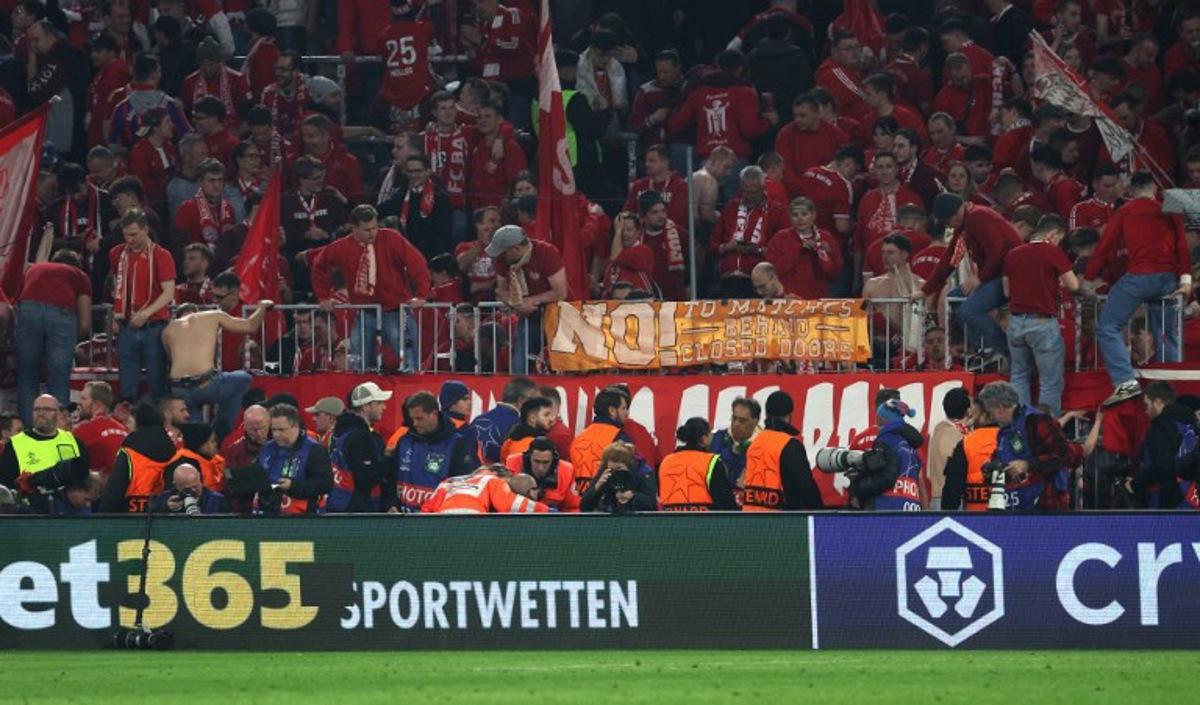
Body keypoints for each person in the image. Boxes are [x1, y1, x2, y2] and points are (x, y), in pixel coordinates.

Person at [1085, 172, 1193, 406]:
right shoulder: (1169, 208)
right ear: (1154, 188)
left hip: (1139, 279)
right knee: (1166, 335)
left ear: (1131, 191)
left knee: (1107, 326)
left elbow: (1104, 247)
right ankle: (1170, 391)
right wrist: (1186, 281)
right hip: (1168, 279)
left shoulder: (1124, 211)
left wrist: (1088, 278)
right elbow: (1182, 246)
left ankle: (1125, 383)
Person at [310, 204, 431, 372]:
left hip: (396, 311)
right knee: (359, 365)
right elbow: (318, 265)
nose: (373, 233)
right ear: (354, 228)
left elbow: (417, 264)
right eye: (367, 230)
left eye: (375, 227)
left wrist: (422, 295)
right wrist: (323, 296)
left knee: (410, 363)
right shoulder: (341, 247)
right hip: (365, 313)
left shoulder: (391, 238)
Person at [914, 193, 1023, 359]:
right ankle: (982, 349)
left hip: (1009, 275)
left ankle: (1006, 351)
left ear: (955, 214)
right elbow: (951, 258)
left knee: (968, 310)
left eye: (947, 222)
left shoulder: (978, 217)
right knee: (954, 299)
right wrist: (926, 290)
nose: (948, 227)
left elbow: (997, 250)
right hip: (996, 274)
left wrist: (980, 278)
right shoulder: (966, 222)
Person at [1003, 215, 1080, 416]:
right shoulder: (1052, 252)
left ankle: (1020, 426)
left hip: (1016, 322)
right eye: (1058, 239)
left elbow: (1006, 291)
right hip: (1042, 323)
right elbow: (1074, 284)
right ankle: (1045, 429)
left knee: (1019, 376)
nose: (1058, 243)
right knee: (1050, 380)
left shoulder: (1013, 254)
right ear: (1052, 234)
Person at [163, 300, 270, 441]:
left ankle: (202, 443)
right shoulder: (212, 316)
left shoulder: (168, 330)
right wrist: (262, 306)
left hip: (178, 389)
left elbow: (172, 359)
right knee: (244, 379)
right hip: (205, 384)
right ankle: (220, 433)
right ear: (198, 313)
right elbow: (251, 325)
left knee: (197, 437)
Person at [14, 250, 92, 425]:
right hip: (61, 313)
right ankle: (55, 430)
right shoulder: (79, 275)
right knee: (58, 377)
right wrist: (73, 341)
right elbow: (85, 323)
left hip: (28, 311)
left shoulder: (33, 269)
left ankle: (28, 429)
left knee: (27, 376)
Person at [978, 381, 1079, 511]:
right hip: (1015, 505)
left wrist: (1028, 465)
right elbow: (1007, 467)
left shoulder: (1037, 421)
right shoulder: (1003, 433)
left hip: (1046, 504)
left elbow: (1065, 456)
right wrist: (993, 469)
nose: (990, 417)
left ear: (1000, 408)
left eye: (990, 412)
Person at [110, 209, 176, 402]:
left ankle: (156, 427)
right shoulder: (116, 253)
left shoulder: (162, 255)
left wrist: (145, 313)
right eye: (125, 235)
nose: (129, 239)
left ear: (146, 230)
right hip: (126, 326)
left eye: (134, 234)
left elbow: (168, 293)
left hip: (153, 327)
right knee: (127, 387)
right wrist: (117, 313)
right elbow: (118, 283)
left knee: (156, 384)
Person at [488, 225, 568, 374]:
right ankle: (519, 387)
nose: (498, 256)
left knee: (562, 362)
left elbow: (560, 292)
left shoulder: (546, 252)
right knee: (520, 358)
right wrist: (517, 305)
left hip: (559, 316)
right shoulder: (502, 259)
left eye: (503, 252)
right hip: (529, 316)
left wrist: (530, 301)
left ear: (515, 249)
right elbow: (501, 290)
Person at [386, 391, 479, 513]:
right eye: (412, 418)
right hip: (403, 520)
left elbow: (465, 486)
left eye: (419, 418)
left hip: (438, 523)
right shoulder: (404, 441)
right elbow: (391, 477)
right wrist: (391, 503)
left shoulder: (457, 444)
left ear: (434, 414)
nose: (415, 423)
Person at [0, 395, 90, 510]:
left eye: (47, 409)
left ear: (58, 414)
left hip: (72, 510)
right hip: (31, 511)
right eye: (37, 409)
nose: (41, 413)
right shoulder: (16, 444)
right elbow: (6, 486)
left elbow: (85, 475)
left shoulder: (73, 441)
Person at [712, 166, 789, 298]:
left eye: (754, 192)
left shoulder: (777, 212)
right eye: (746, 192)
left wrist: (758, 250)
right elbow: (713, 243)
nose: (749, 196)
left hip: (759, 282)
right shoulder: (731, 208)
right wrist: (727, 247)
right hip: (728, 278)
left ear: (763, 188)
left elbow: (783, 251)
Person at [743, 391, 822, 510]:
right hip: (780, 519)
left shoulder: (754, 443)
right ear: (789, 414)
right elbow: (805, 486)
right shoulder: (789, 444)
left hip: (750, 517)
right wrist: (822, 513)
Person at [1126, 382, 1200, 509]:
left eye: (1147, 405)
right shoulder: (1192, 424)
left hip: (1170, 501)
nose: (1146, 411)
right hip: (1194, 496)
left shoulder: (1159, 427)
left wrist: (1135, 484)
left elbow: (1162, 466)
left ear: (1158, 402)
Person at [248, 404, 332, 515]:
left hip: (302, 519)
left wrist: (292, 486)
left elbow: (324, 484)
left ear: (295, 426)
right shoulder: (267, 448)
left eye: (282, 430)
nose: (277, 434)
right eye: (273, 429)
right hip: (266, 515)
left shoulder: (314, 450)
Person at [98, 401, 177, 513]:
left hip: (131, 518)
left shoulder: (130, 451)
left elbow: (114, 491)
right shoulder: (174, 450)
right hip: (165, 515)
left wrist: (103, 517)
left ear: (137, 421)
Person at [851, 398, 924, 511]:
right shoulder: (910, 445)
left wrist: (858, 489)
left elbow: (886, 478)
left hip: (887, 508)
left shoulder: (887, 441)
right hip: (911, 507)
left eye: (878, 416)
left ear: (882, 419)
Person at [327, 382, 389, 513]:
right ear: (365, 407)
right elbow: (366, 481)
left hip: (337, 502)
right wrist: (387, 460)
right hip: (355, 509)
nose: (384, 407)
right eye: (379, 403)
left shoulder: (340, 430)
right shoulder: (361, 437)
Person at [658, 418, 736, 511]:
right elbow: (726, 503)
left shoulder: (667, 461)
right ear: (704, 438)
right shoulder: (712, 461)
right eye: (711, 433)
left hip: (669, 523)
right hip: (704, 523)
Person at [570, 386, 635, 494]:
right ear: (612, 411)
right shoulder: (619, 437)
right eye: (623, 408)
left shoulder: (578, 439)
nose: (626, 413)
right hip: (605, 500)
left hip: (580, 500)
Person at [942, 399, 1001, 511]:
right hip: (1012, 517)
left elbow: (952, 490)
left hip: (975, 519)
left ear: (984, 415)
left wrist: (947, 514)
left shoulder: (967, 443)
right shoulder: (1013, 438)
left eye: (975, 413)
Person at [423, 465, 549, 514]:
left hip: (442, 522)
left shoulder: (449, 481)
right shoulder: (492, 480)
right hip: (473, 521)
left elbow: (427, 510)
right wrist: (544, 509)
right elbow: (508, 504)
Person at [467, 377, 537, 463]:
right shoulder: (519, 425)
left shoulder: (478, 420)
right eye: (534, 401)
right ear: (521, 400)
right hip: (499, 473)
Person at [925, 387, 972, 510]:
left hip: (937, 498)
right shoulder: (959, 436)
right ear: (968, 411)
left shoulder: (939, 428)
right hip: (952, 500)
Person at [504, 437, 580, 512]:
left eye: (546, 462)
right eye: (536, 461)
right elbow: (505, 502)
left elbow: (573, 508)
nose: (540, 468)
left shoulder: (567, 471)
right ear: (529, 456)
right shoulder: (513, 464)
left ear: (553, 459)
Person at [580, 441, 657, 513]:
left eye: (619, 468)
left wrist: (632, 496)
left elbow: (651, 503)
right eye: (612, 469)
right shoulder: (605, 473)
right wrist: (598, 485)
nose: (615, 472)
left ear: (629, 465)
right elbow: (584, 507)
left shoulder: (644, 473)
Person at [73, 381, 129, 476]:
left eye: (84, 399)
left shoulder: (86, 428)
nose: (79, 403)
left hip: (108, 486)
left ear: (97, 404)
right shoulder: (124, 429)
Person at [711, 397, 761, 494]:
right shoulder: (716, 439)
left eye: (742, 421)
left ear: (755, 421)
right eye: (734, 418)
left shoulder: (763, 445)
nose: (736, 424)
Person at [163, 422, 226, 493]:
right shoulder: (182, 466)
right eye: (212, 441)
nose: (216, 445)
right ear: (202, 445)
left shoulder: (214, 460)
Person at [150, 462, 230, 514]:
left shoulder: (217, 500)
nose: (193, 491)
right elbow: (150, 509)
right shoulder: (166, 499)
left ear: (200, 479)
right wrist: (166, 506)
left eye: (196, 486)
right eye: (188, 489)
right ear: (176, 486)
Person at [220, 403, 270, 468]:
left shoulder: (280, 440)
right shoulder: (234, 452)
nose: (259, 434)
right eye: (253, 430)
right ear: (245, 427)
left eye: (262, 428)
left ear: (269, 422)